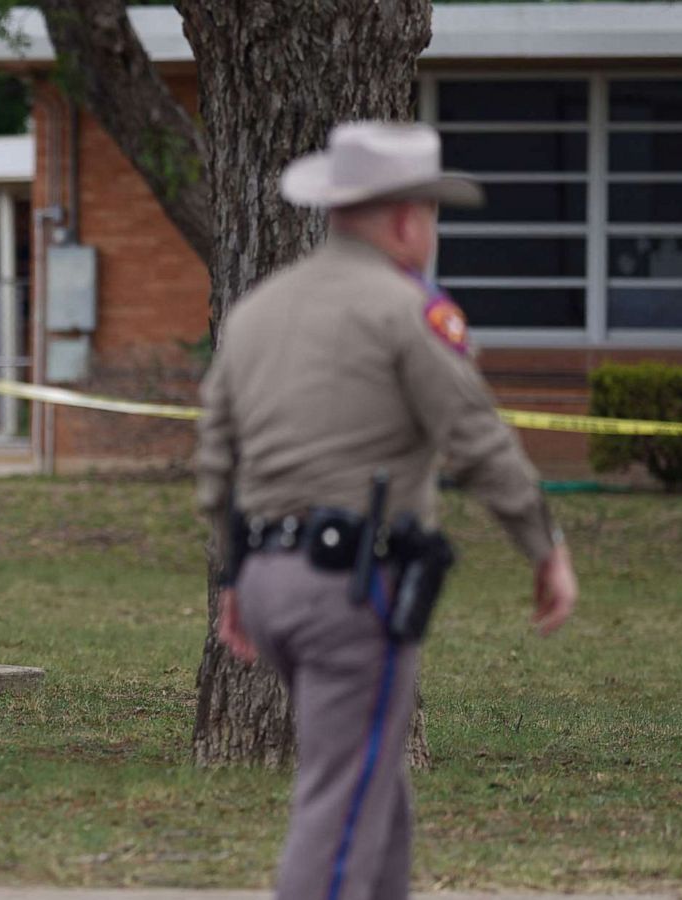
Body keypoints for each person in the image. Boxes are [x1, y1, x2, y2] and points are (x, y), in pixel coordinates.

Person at [193, 121, 579, 900]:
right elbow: (476, 442)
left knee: (373, 784)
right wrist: (544, 548)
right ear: (407, 218)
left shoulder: (258, 309)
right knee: (339, 802)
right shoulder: (407, 311)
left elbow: (215, 463)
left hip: (268, 578)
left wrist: (235, 578)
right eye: (431, 213)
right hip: (350, 587)